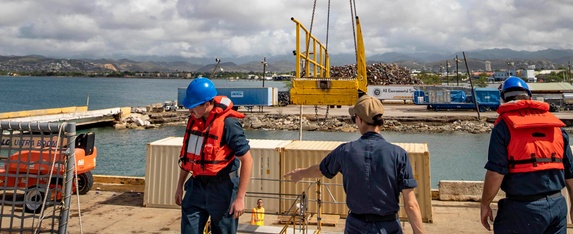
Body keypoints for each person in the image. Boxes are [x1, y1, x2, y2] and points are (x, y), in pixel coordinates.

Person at [285, 94, 426, 234]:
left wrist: (300, 173)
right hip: (388, 227)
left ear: (359, 120)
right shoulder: (399, 154)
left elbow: (320, 170)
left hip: (356, 227)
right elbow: (411, 204)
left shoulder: (345, 151)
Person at [480, 76, 573, 234]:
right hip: (557, 206)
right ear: (530, 97)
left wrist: (485, 204)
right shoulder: (556, 126)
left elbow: (496, 172)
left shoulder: (503, 127)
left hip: (522, 209)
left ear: (502, 99)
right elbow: (570, 171)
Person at [174, 77, 253, 234]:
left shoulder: (229, 124)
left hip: (222, 189)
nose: (190, 111)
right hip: (196, 186)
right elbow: (189, 158)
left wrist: (239, 198)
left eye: (193, 107)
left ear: (207, 104)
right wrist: (179, 186)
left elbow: (248, 160)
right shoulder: (194, 121)